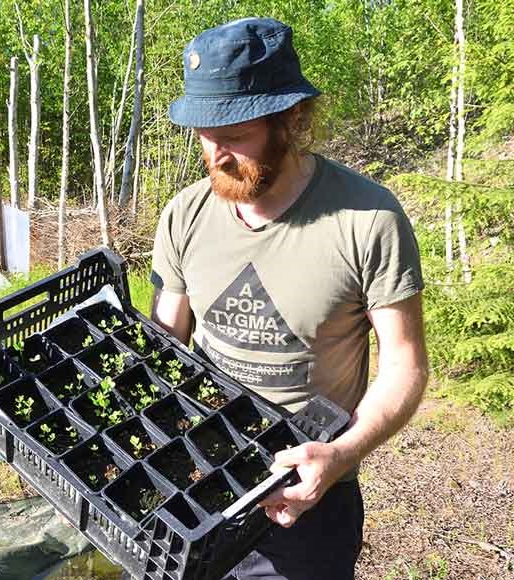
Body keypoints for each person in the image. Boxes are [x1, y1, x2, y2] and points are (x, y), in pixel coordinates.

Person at [150, 17, 429, 580]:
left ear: (292, 119)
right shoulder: (185, 213)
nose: (216, 154)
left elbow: (406, 364)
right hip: (200, 476)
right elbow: (165, 342)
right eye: (204, 134)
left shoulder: (367, 219)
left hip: (307, 493)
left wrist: (341, 456)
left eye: (234, 134)